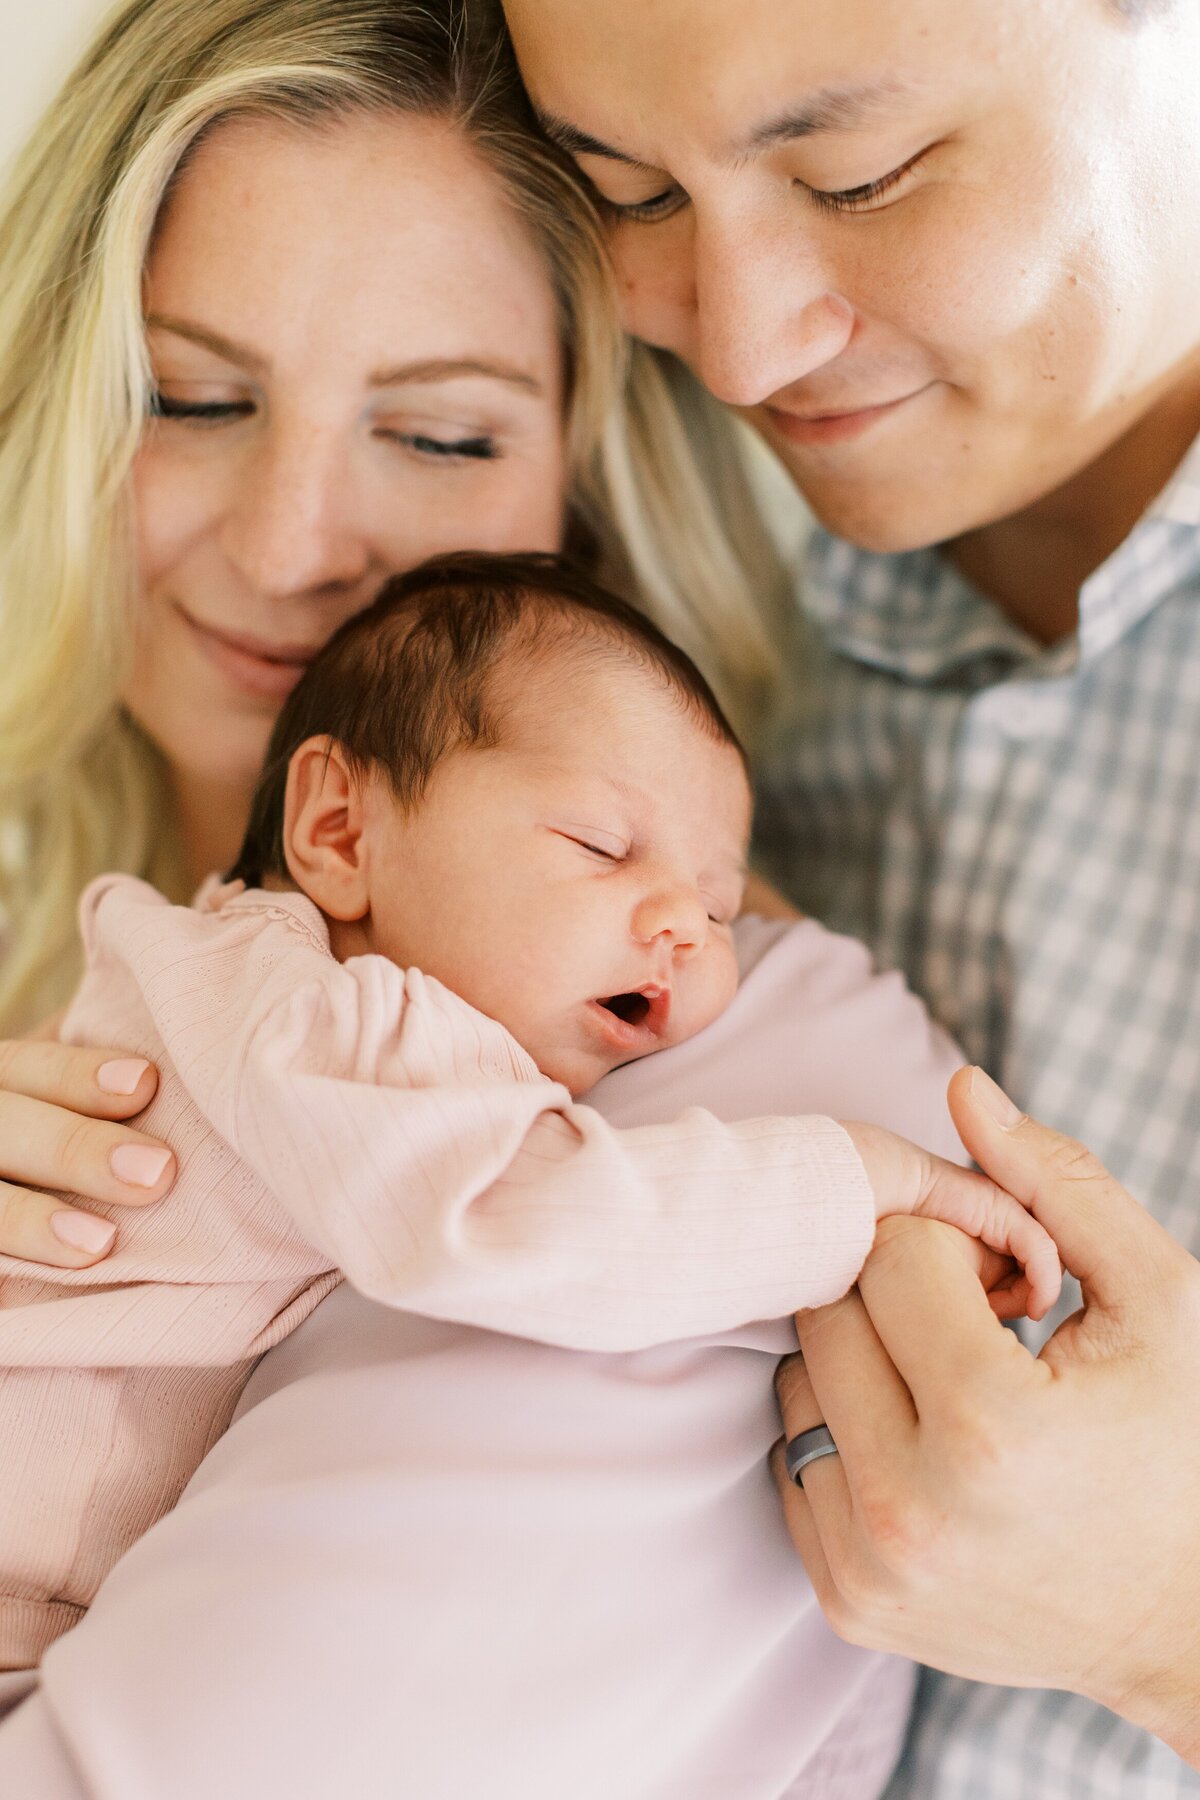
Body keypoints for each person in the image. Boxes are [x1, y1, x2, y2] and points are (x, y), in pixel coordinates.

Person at [0, 1, 1028, 1793]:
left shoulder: (695, 1048)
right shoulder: (98, 919)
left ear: (589, 484)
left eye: (446, 436)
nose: (295, 542)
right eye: (197, 396)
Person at [495, 0, 1200, 1788]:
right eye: (627, 188)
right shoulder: (614, 543)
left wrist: (1167, 1625)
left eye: (856, 175)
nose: (737, 346)